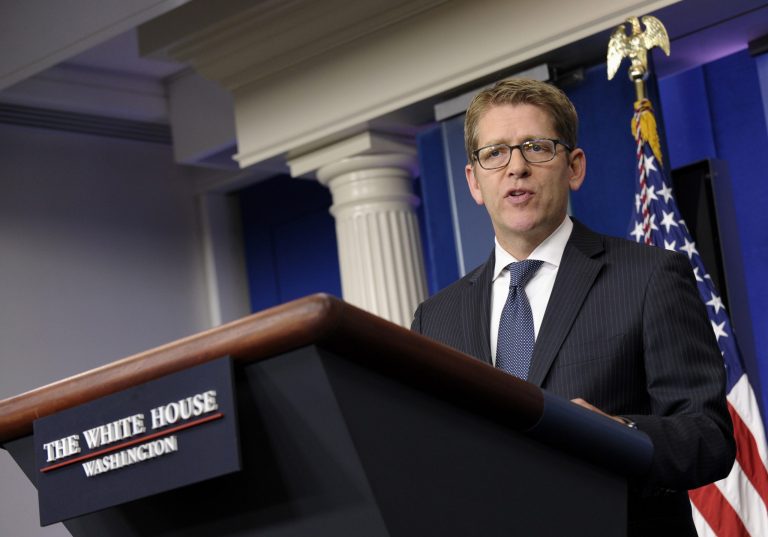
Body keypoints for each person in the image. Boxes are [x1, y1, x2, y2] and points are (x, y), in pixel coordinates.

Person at [411, 78, 735, 535]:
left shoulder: (650, 276)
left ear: (574, 167)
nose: (516, 167)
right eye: (495, 153)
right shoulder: (434, 319)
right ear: (474, 181)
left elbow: (709, 438)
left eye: (537, 147)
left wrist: (619, 434)